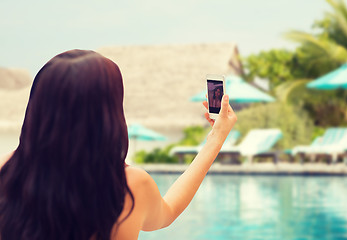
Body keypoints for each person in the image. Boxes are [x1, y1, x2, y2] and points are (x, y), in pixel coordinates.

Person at [0, 49, 236, 240]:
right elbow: (169, 211)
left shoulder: (6, 171)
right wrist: (216, 139)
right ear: (109, 113)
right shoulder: (130, 186)